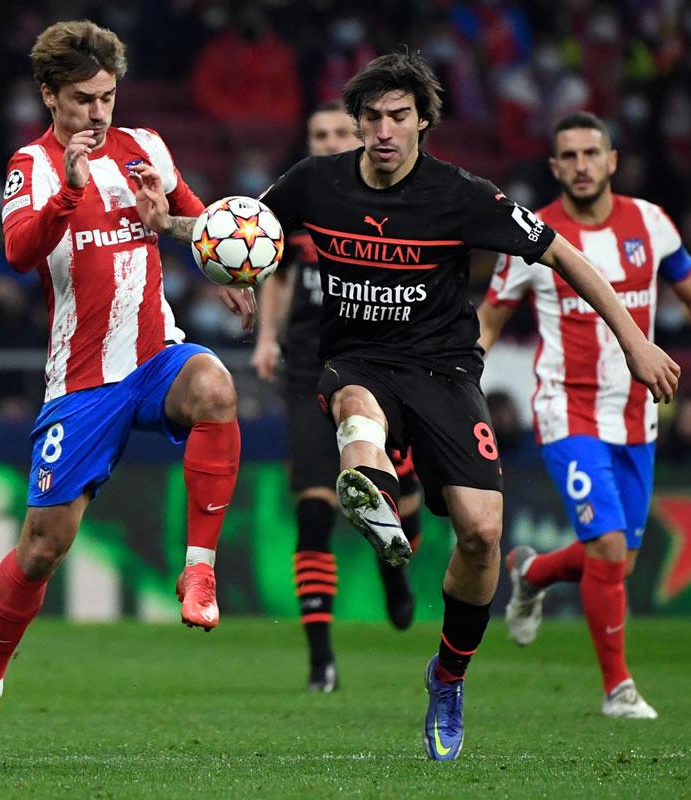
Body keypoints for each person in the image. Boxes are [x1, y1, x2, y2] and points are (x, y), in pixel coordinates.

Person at [250, 52, 677, 760]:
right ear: (355, 123)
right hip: (354, 362)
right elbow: (242, 231)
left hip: (444, 370)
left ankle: (447, 677)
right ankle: (375, 489)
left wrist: (632, 339)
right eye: (372, 117)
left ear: (422, 121)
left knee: (482, 533)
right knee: (355, 406)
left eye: (398, 116)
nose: (384, 130)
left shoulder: (460, 195)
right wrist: (201, 247)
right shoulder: (313, 182)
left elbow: (565, 256)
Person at [0, 20, 254, 760]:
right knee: (43, 549)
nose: (98, 112)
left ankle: (199, 571)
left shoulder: (146, 146)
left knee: (217, 388)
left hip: (155, 356)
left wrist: (219, 263)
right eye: (82, 99)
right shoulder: (32, 165)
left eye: (107, 96)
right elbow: (19, 253)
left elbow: (199, 220)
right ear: (50, 95)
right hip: (81, 384)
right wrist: (70, 190)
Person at [478, 112, 691, 719]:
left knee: (619, 558)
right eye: (569, 156)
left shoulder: (652, 224)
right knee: (608, 545)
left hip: (638, 413)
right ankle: (619, 690)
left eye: (592, 152)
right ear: (555, 168)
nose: (581, 165)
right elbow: (489, 321)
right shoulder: (532, 237)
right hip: (567, 410)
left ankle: (531, 572)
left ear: (612, 160)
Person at [250, 101, 424, 693]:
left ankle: (394, 575)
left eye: (336, 134)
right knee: (314, 510)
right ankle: (320, 657)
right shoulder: (296, 202)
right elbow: (273, 271)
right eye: (316, 134)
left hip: (380, 368)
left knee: (399, 499)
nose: (326, 143)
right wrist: (268, 336)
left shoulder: (387, 199)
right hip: (307, 370)